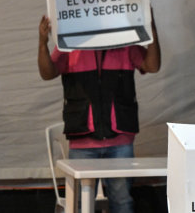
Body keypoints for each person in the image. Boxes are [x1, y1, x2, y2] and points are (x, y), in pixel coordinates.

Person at [37, 11, 161, 213]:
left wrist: (152, 31)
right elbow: (47, 73)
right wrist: (42, 43)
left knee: (122, 202)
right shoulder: (70, 46)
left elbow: (152, 66)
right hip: (83, 141)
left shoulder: (125, 43)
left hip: (120, 140)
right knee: (79, 205)